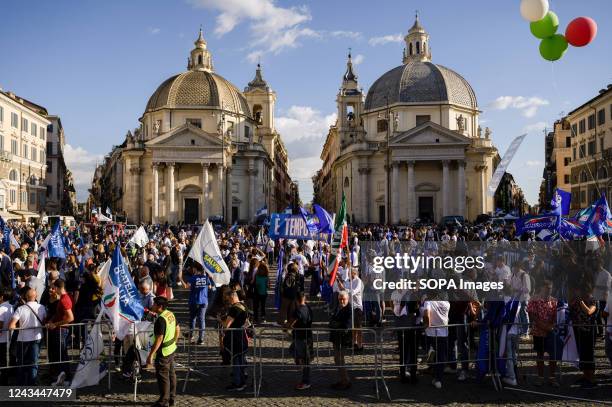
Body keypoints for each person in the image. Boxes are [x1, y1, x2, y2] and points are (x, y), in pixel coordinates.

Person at [146, 296, 180, 407]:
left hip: (163, 352)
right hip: (171, 349)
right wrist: (174, 341)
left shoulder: (160, 320)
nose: (152, 306)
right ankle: (172, 398)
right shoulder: (170, 314)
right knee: (171, 374)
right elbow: (177, 328)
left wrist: (151, 354)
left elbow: (159, 339)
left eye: (154, 304)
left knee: (163, 377)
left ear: (160, 307)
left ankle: (163, 401)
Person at [8, 287, 46, 386]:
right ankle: (32, 383)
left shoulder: (20, 309)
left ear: (25, 296)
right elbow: (45, 321)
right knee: (33, 362)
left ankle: (20, 383)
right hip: (37, 338)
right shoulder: (41, 307)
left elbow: (11, 325)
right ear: (36, 296)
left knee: (21, 362)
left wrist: (18, 328)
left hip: (23, 339)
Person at [527, 279, 559, 387]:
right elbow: (532, 315)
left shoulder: (554, 301)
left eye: (550, 288)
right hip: (538, 331)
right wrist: (543, 325)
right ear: (542, 288)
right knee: (540, 354)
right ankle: (540, 377)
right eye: (547, 288)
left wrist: (551, 326)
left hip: (550, 332)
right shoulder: (534, 299)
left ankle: (552, 377)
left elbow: (557, 316)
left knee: (552, 355)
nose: (549, 291)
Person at [569, 284, 598, 388]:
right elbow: (571, 309)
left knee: (589, 354)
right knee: (582, 353)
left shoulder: (593, 300)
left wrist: (580, 302)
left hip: (589, 331)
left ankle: (591, 378)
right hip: (578, 331)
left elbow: (589, 311)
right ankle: (585, 376)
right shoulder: (576, 300)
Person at [223, 290, 250, 391]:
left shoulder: (234, 309)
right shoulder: (244, 305)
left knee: (236, 361)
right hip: (242, 335)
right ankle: (242, 382)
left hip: (235, 337)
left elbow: (227, 325)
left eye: (228, 299)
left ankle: (237, 383)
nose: (228, 301)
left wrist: (221, 321)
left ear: (232, 297)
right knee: (241, 360)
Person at [423, 291, 450, 390]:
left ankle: (430, 352)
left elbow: (426, 314)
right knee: (441, 357)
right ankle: (438, 379)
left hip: (431, 333)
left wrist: (426, 325)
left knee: (434, 355)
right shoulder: (447, 303)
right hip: (443, 333)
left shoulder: (428, 303)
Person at [288, 291, 313, 390]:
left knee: (305, 359)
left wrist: (287, 326)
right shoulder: (308, 308)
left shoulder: (298, 310)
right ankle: (299, 361)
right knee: (292, 349)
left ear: (296, 300)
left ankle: (306, 381)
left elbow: (291, 323)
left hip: (301, 337)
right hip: (307, 336)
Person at [328, 290, 352, 390]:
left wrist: (336, 324)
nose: (342, 301)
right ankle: (343, 379)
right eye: (340, 299)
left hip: (342, 338)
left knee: (340, 360)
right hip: (336, 337)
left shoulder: (349, 309)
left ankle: (345, 381)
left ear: (348, 299)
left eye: (343, 299)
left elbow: (347, 325)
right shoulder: (338, 307)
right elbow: (332, 319)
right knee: (337, 360)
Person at [182, 265, 211, 345]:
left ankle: (191, 335)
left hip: (194, 301)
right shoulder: (206, 278)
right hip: (204, 301)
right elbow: (210, 287)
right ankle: (201, 339)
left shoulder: (193, 278)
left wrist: (181, 278)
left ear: (195, 269)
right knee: (202, 320)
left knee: (193, 318)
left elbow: (185, 286)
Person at [0, 288, 14, 386]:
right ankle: (4, 378)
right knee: (4, 359)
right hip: (7, 336)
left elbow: (0, 324)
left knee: (2, 360)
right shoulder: (11, 306)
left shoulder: (1, 308)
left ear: (1, 297)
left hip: (1, 338)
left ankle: (3, 380)